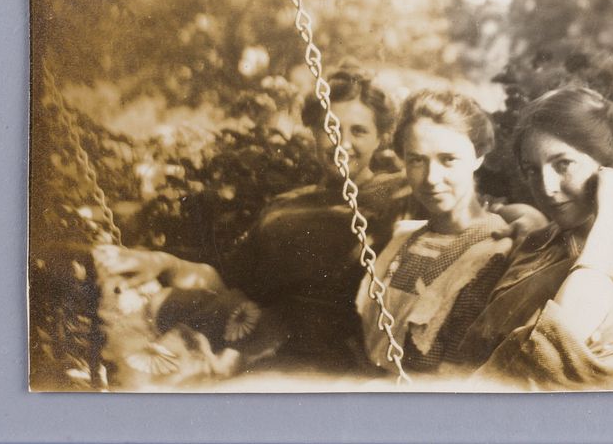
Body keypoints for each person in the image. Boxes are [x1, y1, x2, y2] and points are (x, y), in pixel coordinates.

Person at [98, 66, 415, 379]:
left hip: (334, 349)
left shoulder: (395, 193)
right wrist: (164, 262)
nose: (342, 144)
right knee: (123, 302)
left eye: (359, 131)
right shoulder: (287, 205)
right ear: (314, 132)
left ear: (381, 138)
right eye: (329, 129)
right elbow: (229, 280)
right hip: (261, 334)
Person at [459, 86, 613, 390]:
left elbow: (570, 332)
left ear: (609, 167)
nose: (547, 187)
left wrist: (611, 211)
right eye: (532, 170)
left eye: (563, 164)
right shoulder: (540, 242)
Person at [356, 89, 522, 375]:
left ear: (478, 156)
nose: (431, 179)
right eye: (417, 160)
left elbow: (455, 374)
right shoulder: (402, 239)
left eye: (448, 159)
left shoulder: (494, 251)